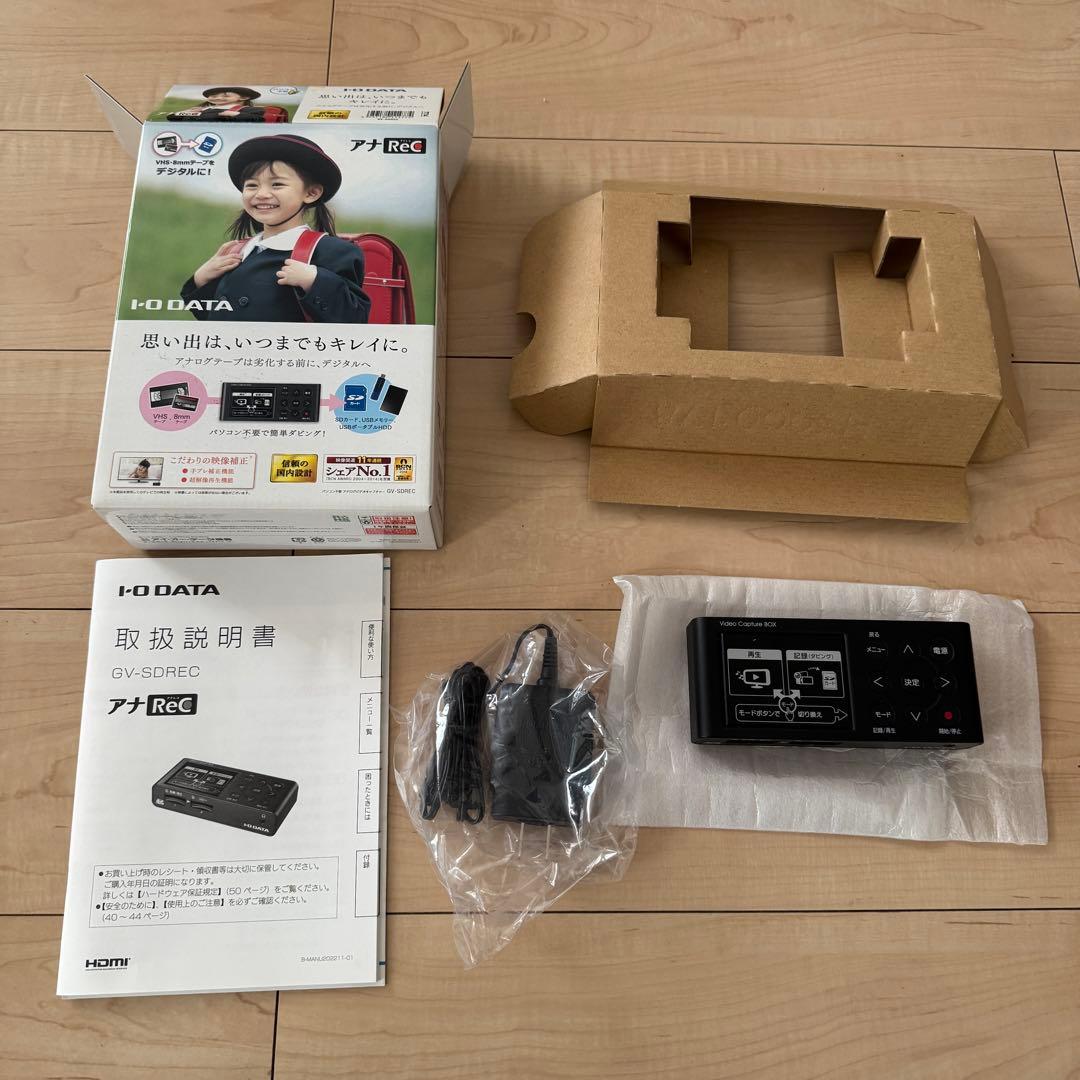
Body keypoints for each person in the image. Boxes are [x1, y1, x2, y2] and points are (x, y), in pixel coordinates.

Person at [180, 134, 371, 323]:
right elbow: (214, 319)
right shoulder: (237, 252)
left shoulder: (333, 251)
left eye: (277, 184)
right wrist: (200, 280)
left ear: (311, 193)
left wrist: (315, 280)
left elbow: (355, 319)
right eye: (252, 185)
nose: (262, 194)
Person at [166, 87, 284, 123]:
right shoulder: (203, 109)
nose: (218, 97)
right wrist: (187, 112)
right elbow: (171, 117)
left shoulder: (248, 110)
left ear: (244, 97)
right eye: (213, 96)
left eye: (226, 95)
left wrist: (237, 114)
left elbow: (259, 119)